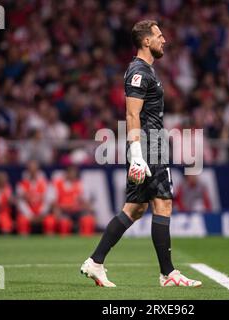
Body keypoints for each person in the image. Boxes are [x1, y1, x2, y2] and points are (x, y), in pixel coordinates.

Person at [80, 20, 202, 287]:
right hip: (149, 144)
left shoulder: (146, 70)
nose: (164, 39)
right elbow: (131, 113)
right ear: (146, 41)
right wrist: (137, 152)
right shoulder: (139, 70)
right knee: (164, 204)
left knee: (135, 209)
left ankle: (95, 262)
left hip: (147, 143)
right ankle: (168, 273)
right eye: (159, 35)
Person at [15, 160, 57, 235]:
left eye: (34, 169)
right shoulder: (21, 184)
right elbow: (20, 201)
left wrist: (41, 213)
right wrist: (29, 214)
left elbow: (48, 201)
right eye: (31, 169)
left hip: (42, 213)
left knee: (50, 221)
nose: (32, 171)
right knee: (22, 221)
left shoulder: (46, 184)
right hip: (27, 213)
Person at [52, 166, 95, 236]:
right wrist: (58, 209)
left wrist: (85, 207)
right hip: (64, 211)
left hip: (77, 211)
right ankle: (64, 241)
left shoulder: (80, 185)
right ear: (66, 174)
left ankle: (86, 241)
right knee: (64, 223)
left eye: (74, 173)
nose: (72, 175)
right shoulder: (58, 184)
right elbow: (53, 201)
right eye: (70, 173)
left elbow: (86, 202)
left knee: (88, 220)